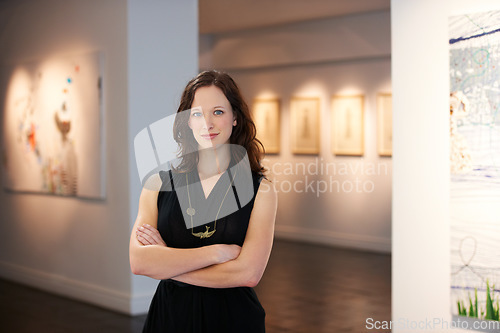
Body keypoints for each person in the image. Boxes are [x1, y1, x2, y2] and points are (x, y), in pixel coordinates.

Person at [129, 70, 278, 333]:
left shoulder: (260, 191)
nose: (207, 123)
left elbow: (248, 274)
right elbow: (140, 262)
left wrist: (168, 265)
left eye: (218, 112)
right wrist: (216, 253)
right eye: (197, 113)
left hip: (233, 320)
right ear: (187, 121)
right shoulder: (157, 184)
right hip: (170, 319)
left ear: (235, 118)